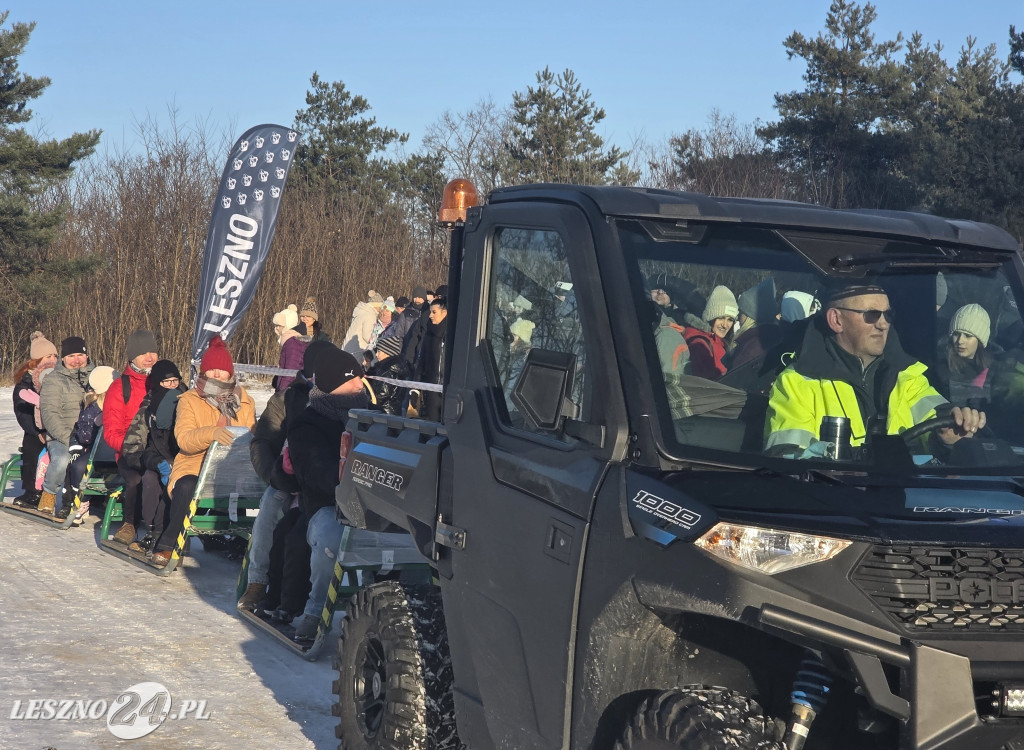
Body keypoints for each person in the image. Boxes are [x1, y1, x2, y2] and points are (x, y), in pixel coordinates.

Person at [764, 284, 985, 456]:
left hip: (904, 502)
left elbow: (938, 420)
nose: (883, 324)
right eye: (872, 314)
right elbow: (787, 460)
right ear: (836, 319)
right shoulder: (796, 383)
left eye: (888, 315)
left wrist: (950, 433)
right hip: (830, 505)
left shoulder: (909, 377)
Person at [285, 346, 378, 642]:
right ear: (332, 385)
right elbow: (314, 472)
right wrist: (354, 482)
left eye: (360, 378)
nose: (359, 385)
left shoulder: (375, 417)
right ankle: (315, 611)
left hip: (376, 505)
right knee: (330, 537)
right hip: (328, 506)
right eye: (351, 380)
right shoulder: (308, 423)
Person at [240, 339, 333, 611]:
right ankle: (257, 580)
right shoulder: (287, 398)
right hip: (288, 476)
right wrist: (276, 476)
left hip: (319, 479)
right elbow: (263, 442)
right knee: (271, 504)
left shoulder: (338, 398)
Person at [150, 336, 256, 566]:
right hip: (195, 463)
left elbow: (252, 435)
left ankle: (250, 545)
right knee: (187, 485)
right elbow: (184, 440)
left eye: (222, 370)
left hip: (232, 467)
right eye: (212, 370)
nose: (217, 375)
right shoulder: (190, 400)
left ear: (230, 373)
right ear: (204, 372)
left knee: (262, 488)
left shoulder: (245, 401)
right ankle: (169, 543)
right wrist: (211, 433)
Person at [119, 360, 185, 552]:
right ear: (157, 384)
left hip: (183, 462)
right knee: (150, 479)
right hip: (155, 460)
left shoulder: (188, 402)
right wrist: (156, 462)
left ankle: (177, 535)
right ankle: (151, 532)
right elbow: (131, 448)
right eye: (167, 382)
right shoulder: (148, 409)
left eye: (175, 381)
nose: (173, 386)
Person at [105, 330, 160, 546]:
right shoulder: (120, 387)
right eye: (144, 352)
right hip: (129, 452)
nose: (150, 357)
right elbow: (111, 432)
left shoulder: (163, 382)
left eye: (153, 352)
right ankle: (130, 524)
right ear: (132, 356)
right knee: (137, 479)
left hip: (158, 449)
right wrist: (134, 448)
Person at [37, 337, 96, 515]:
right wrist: (68, 438)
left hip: (92, 435)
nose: (77, 360)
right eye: (71, 356)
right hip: (62, 435)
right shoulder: (53, 380)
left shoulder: (96, 376)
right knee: (63, 459)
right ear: (63, 358)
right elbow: (49, 413)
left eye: (80, 355)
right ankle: (49, 493)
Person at [57, 365, 116, 523]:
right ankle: (81, 501)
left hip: (117, 450)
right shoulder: (93, 408)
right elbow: (85, 435)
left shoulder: (120, 403)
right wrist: (96, 428)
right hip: (98, 452)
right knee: (77, 466)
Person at [12, 332, 59, 507]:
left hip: (59, 427)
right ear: (37, 360)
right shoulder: (26, 381)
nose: (53, 359)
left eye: (55, 355)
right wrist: (37, 430)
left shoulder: (61, 377)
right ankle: (32, 491)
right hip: (36, 429)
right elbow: (22, 410)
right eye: (48, 356)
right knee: (32, 448)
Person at [931, 304, 993, 409]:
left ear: (980, 341)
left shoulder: (992, 369)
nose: (960, 341)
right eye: (956, 334)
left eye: (968, 336)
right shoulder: (940, 368)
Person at [684, 286, 738, 380]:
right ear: (710, 317)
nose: (725, 325)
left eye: (730, 320)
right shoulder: (700, 344)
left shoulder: (720, 342)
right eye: (721, 318)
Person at [277, 297, 330, 392]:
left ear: (314, 319)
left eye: (308, 316)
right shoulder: (295, 332)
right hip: (297, 374)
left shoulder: (321, 336)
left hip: (314, 376)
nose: (305, 318)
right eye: (303, 316)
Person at [410, 297, 448, 421]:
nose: (430, 315)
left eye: (434, 312)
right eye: (430, 312)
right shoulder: (428, 334)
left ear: (445, 313)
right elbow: (421, 363)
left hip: (447, 391)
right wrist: (415, 389)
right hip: (430, 390)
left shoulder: (451, 334)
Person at [342, 290, 385, 355]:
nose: (381, 310)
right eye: (380, 307)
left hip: (348, 349)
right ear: (376, 305)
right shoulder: (370, 315)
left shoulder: (362, 312)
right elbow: (368, 336)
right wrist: (379, 344)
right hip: (357, 351)